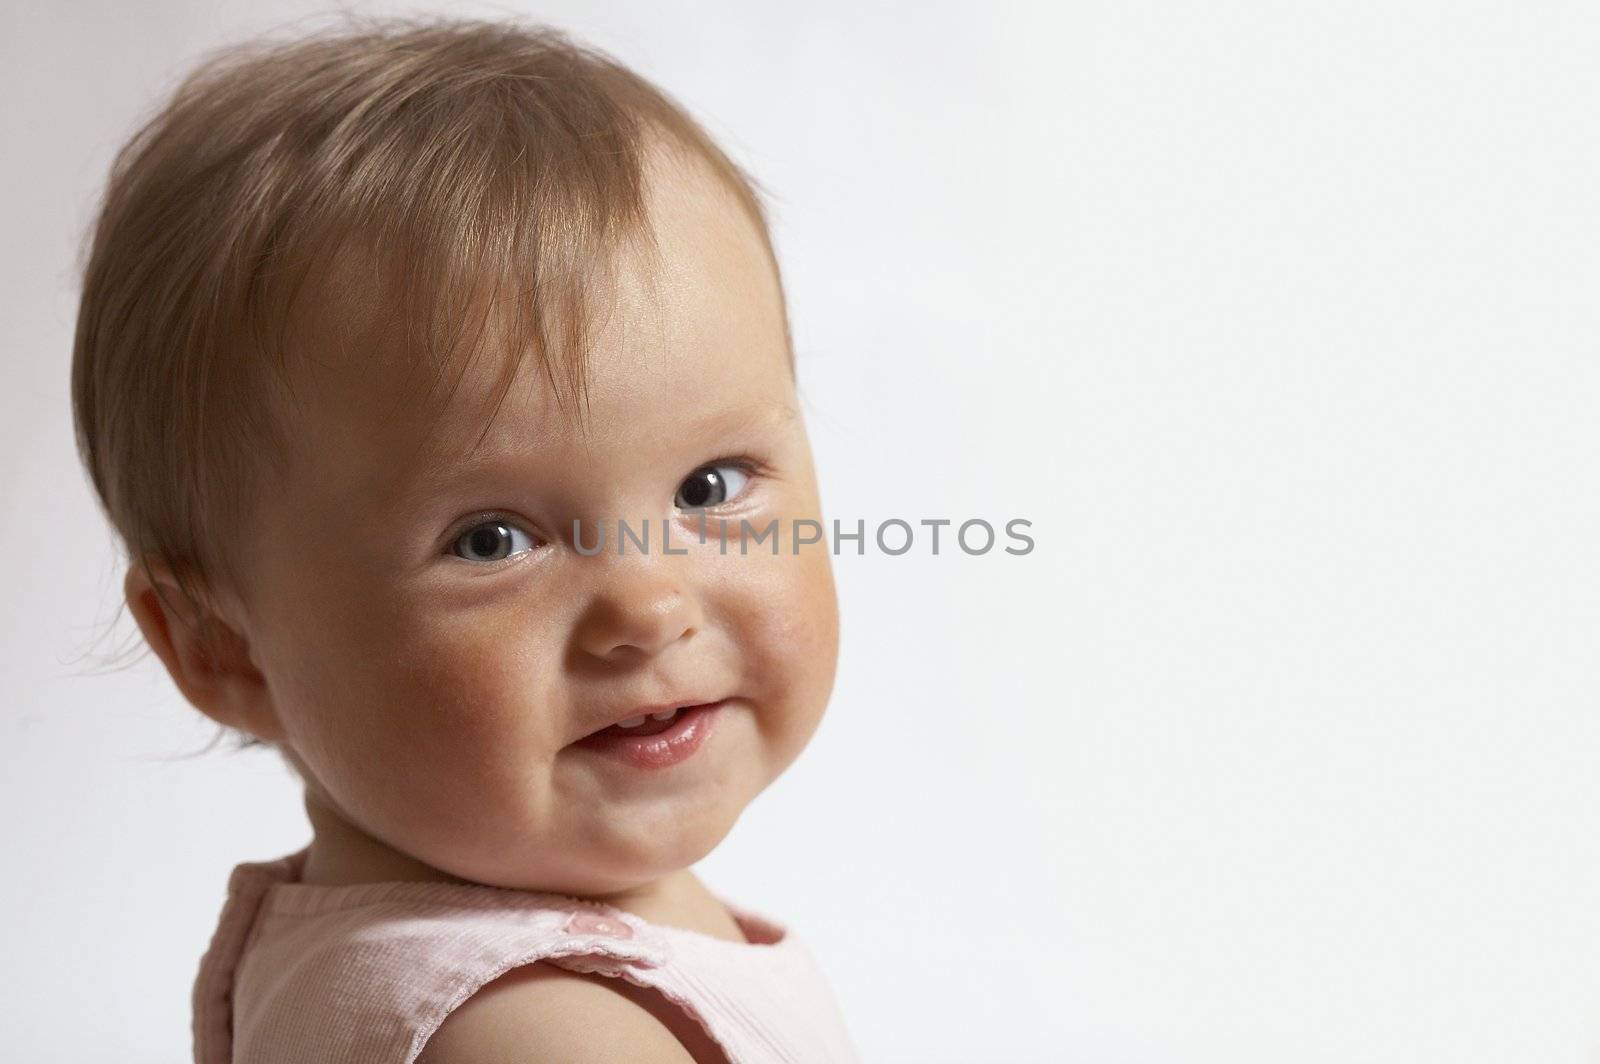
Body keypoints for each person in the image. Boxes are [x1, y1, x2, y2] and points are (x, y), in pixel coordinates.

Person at [70, 14, 855, 1063]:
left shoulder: (413, 932)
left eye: (708, 484)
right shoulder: (536, 1033)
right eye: (491, 540)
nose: (650, 605)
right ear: (223, 644)